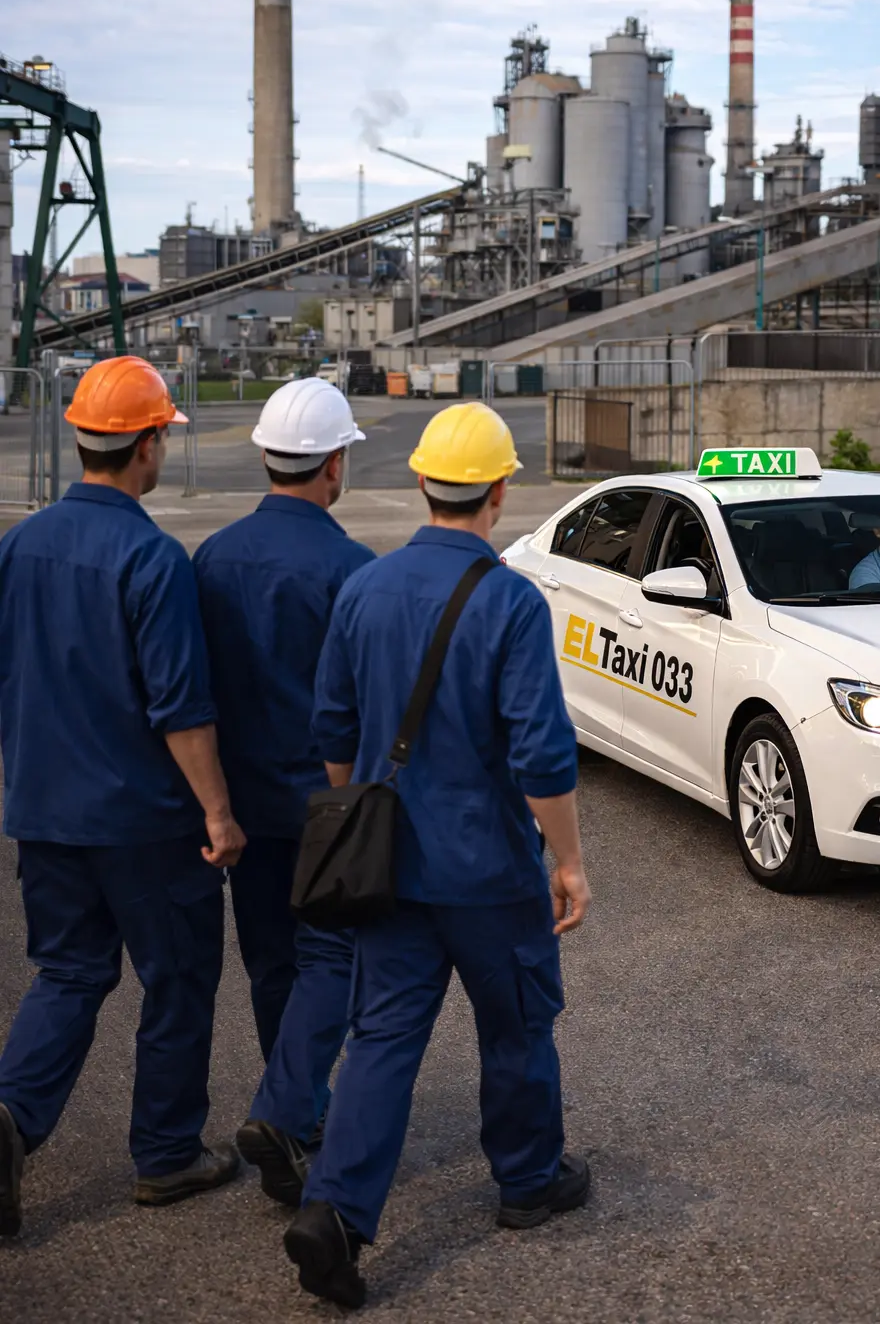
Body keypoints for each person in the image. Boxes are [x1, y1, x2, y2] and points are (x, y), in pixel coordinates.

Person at [281, 401, 592, 1312]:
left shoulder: (365, 589)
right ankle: (529, 1182)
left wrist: (370, 799)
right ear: (500, 492)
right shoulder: (508, 600)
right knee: (518, 1025)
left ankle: (334, 1212)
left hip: (389, 869)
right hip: (490, 870)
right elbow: (541, 756)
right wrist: (567, 862)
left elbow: (333, 731)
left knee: (381, 1037)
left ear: (421, 482)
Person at [0, 356, 246, 1238]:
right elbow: (181, 709)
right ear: (143, 444)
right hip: (145, 823)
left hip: (46, 810)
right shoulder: (152, 558)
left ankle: (12, 1121)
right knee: (178, 979)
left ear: (78, 438)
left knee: (68, 972)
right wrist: (218, 813)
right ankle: (167, 1153)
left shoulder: (20, 544)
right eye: (160, 438)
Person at [192, 379, 374, 1202]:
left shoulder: (213, 557)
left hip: (244, 803)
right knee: (334, 958)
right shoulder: (353, 569)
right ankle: (292, 1109)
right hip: (327, 806)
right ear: (333, 464)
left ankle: (292, 1106)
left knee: (270, 962)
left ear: (268, 455)